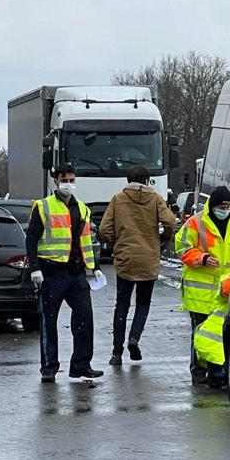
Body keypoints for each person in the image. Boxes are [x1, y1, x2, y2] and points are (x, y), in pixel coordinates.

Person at [26, 163, 105, 383]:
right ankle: (49, 368)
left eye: (71, 180)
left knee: (85, 318)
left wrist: (95, 267)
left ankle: (81, 365)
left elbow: (85, 241)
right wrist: (35, 268)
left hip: (76, 273)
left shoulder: (83, 209)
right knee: (48, 322)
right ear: (55, 181)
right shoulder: (43, 206)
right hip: (51, 272)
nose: (68, 184)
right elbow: (31, 239)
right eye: (64, 181)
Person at [175, 186, 230, 385]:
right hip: (200, 291)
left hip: (227, 289)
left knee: (219, 333)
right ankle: (199, 371)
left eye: (228, 207)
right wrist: (201, 258)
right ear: (212, 206)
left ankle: (218, 372)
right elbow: (182, 247)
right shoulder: (196, 222)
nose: (225, 210)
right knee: (201, 333)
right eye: (221, 207)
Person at [99, 166, 176, 365]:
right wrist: (163, 240)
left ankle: (116, 353)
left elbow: (104, 228)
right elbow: (170, 221)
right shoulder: (156, 199)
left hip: (125, 258)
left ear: (128, 180)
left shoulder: (118, 199)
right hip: (148, 257)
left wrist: (115, 244)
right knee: (143, 302)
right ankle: (134, 338)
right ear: (147, 180)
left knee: (122, 304)